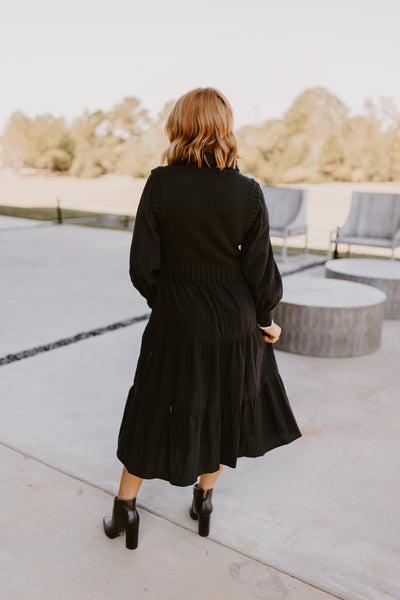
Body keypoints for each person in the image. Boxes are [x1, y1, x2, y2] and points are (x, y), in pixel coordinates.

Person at [103, 87, 302, 549]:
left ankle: (125, 511)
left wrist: (171, 301)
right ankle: (205, 502)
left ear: (181, 125)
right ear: (224, 127)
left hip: (175, 323)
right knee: (221, 410)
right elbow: (261, 272)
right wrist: (266, 318)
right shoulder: (247, 191)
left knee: (155, 409)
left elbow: (141, 268)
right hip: (234, 324)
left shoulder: (160, 183)